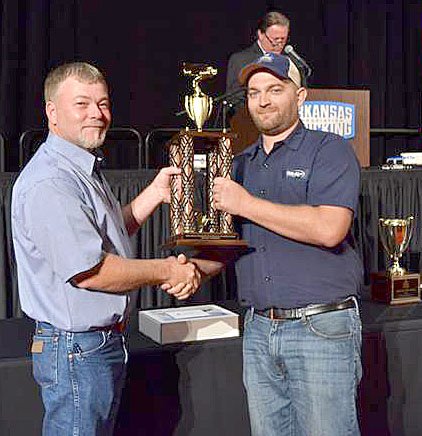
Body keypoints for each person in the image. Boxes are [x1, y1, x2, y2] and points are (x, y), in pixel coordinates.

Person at [11, 62, 201, 435]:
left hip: (92, 347)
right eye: (82, 104)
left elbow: (107, 235)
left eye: (103, 103)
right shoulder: (52, 182)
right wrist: (167, 270)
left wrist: (155, 194)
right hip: (77, 351)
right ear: (52, 112)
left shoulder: (80, 168)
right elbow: (91, 271)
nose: (97, 115)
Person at [213, 53, 363, 435]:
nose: (262, 101)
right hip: (260, 331)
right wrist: (187, 270)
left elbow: (330, 228)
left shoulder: (329, 150)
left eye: (275, 90)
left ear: (300, 97)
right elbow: (235, 242)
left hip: (320, 328)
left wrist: (245, 204)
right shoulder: (240, 164)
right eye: (253, 93)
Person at [225, 11, 290, 108]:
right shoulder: (241, 60)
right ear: (261, 34)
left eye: (283, 40)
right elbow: (234, 99)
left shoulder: (290, 59)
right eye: (275, 40)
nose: (279, 45)